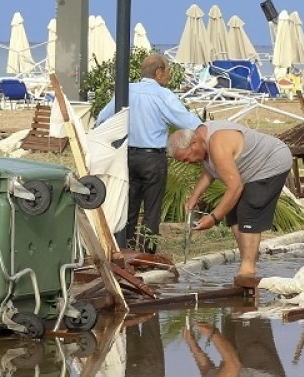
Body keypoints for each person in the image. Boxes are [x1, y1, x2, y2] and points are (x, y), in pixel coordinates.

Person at [97, 53, 206, 253]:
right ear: (159, 73)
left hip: (127, 156)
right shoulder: (162, 95)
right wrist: (208, 132)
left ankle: (124, 251)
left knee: (128, 208)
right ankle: (146, 255)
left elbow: (102, 119)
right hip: (152, 159)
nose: (169, 76)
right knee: (152, 212)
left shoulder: (127, 90)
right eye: (168, 71)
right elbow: (187, 121)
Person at [168, 120, 293, 277]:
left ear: (194, 144)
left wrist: (213, 218)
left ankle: (248, 268)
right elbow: (210, 170)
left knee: (249, 209)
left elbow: (235, 187)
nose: (187, 164)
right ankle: (247, 262)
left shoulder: (217, 143)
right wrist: (194, 197)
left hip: (271, 161)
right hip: (249, 171)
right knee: (233, 213)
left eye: (186, 159)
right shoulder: (200, 138)